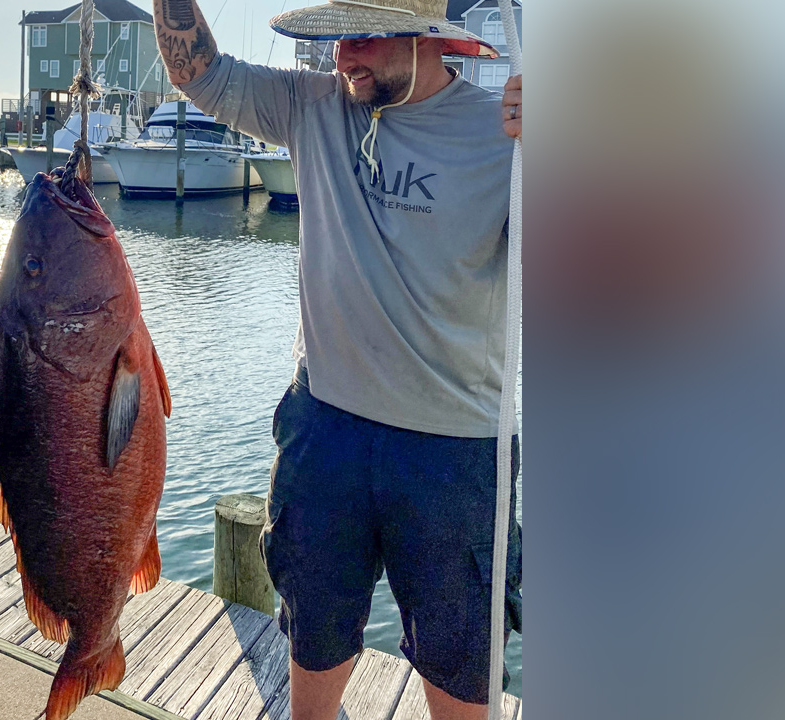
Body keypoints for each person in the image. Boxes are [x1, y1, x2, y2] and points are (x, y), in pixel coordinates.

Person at [151, 1, 522, 719]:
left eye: (364, 38)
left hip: (457, 448)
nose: (343, 56)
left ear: (425, 41)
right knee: (313, 623)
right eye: (335, 38)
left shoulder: (504, 135)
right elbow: (199, 73)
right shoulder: (310, 106)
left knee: (460, 654)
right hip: (326, 427)